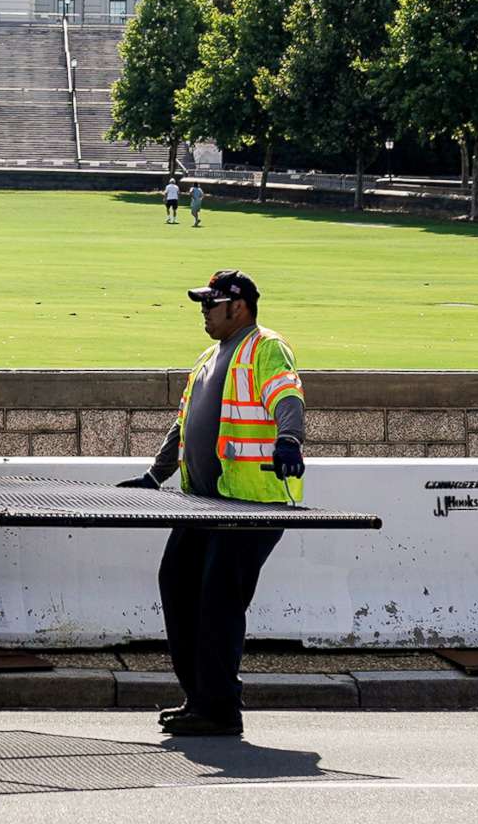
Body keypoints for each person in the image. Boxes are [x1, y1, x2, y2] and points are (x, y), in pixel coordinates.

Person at [120, 269, 306, 740]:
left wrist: (289, 440)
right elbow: (183, 427)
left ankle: (221, 709)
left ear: (238, 306)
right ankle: (200, 699)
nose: (203, 311)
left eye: (211, 303)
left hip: (249, 504)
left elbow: (287, 395)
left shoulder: (264, 347)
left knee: (218, 601)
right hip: (203, 502)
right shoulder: (208, 357)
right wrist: (154, 475)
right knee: (178, 584)